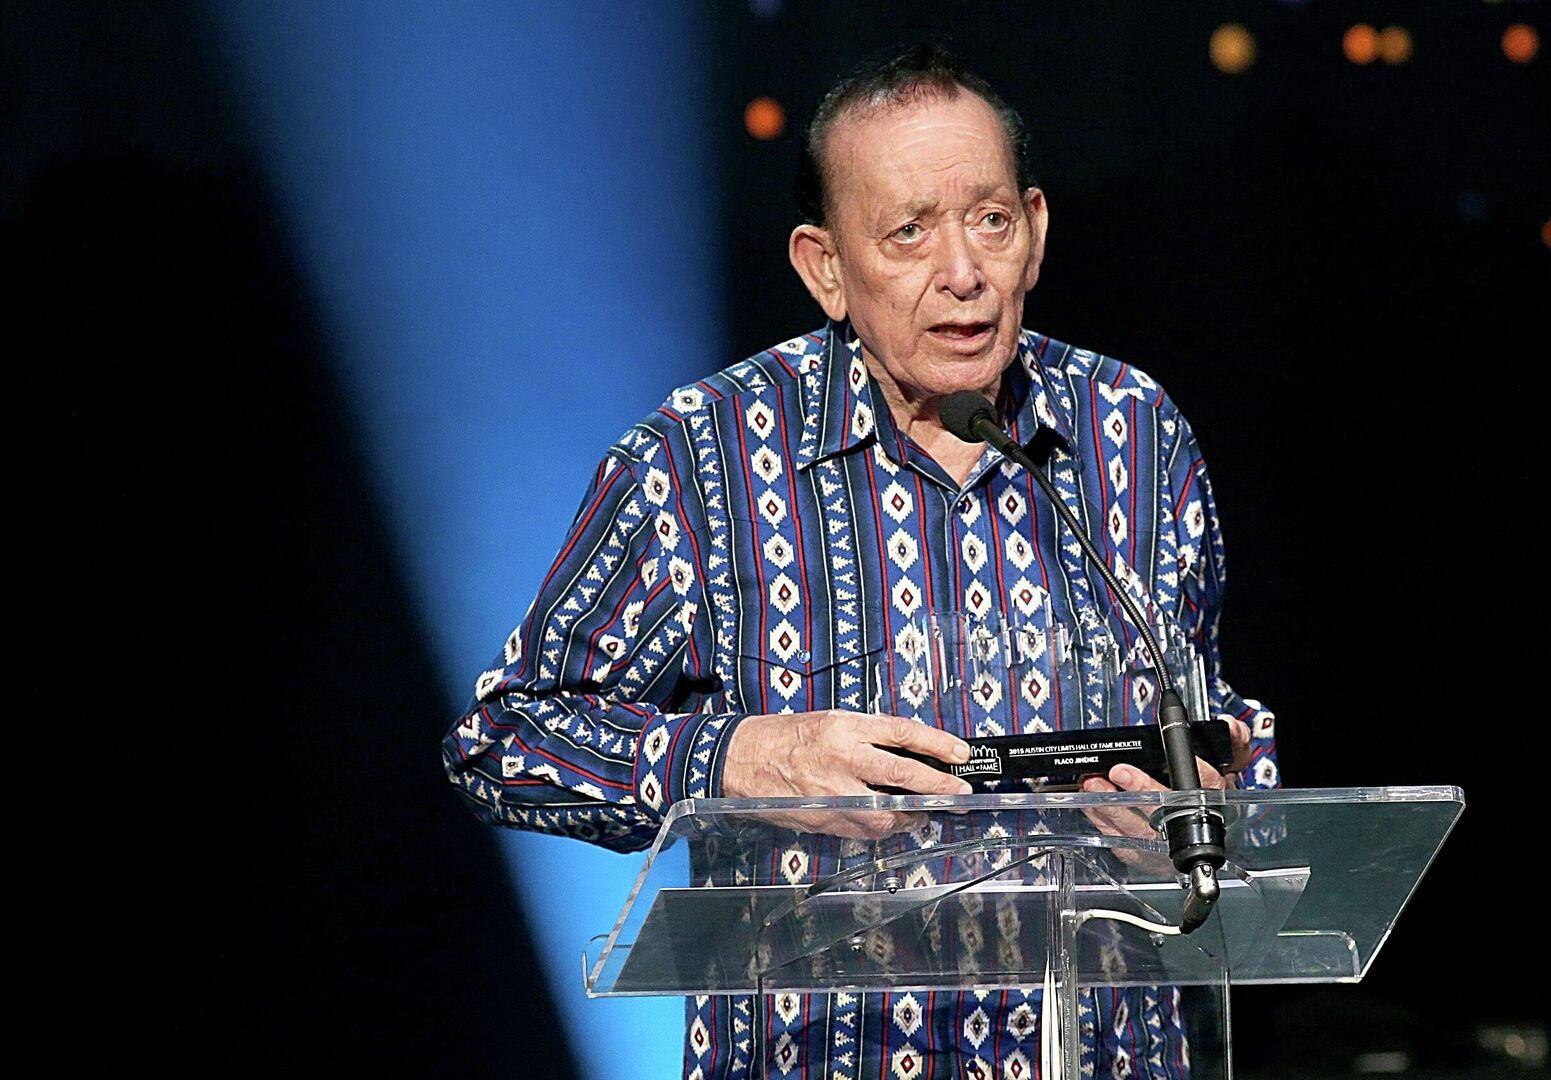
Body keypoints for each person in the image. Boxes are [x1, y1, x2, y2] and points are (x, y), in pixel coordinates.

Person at [442, 42, 1278, 1080]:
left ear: (1035, 231)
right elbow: (504, 738)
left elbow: (1216, 719)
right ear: (825, 268)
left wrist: (1206, 802)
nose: (963, 273)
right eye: (908, 233)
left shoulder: (1135, 433)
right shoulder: (703, 459)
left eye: (990, 220)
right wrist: (737, 760)